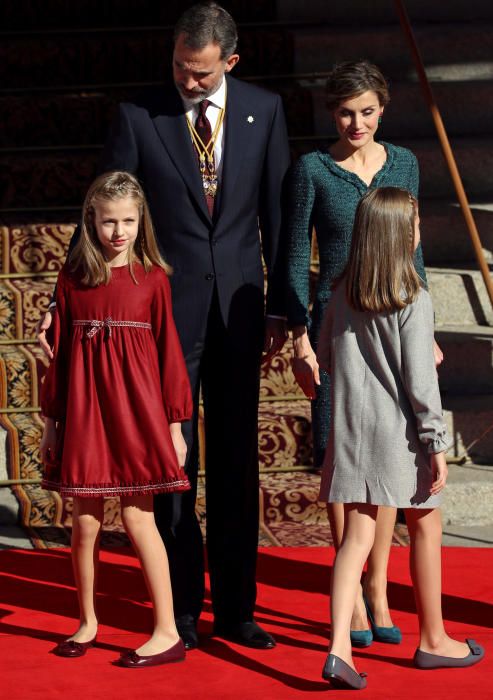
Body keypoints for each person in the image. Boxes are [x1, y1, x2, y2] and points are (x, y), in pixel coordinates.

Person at [37, 2, 290, 650]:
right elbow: (100, 207)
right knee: (170, 468)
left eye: (201, 72)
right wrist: (62, 299)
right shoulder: (138, 115)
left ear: (229, 62)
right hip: (156, 320)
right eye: (180, 66)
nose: (188, 80)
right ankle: (177, 611)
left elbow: (278, 219)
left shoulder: (264, 111)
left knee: (235, 464)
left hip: (236, 312)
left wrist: (284, 310)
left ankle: (236, 610)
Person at [285, 60, 442, 647]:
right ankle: (352, 602)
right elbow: (295, 254)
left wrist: (423, 330)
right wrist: (301, 338)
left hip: (396, 322)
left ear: (383, 108)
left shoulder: (405, 163)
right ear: (333, 112)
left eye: (367, 111)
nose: (357, 122)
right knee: (345, 460)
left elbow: (413, 248)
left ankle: (378, 587)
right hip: (338, 327)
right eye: (346, 112)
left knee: (390, 459)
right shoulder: (312, 171)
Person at [316, 187, 484, 689]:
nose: (420, 231)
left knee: (356, 539)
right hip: (400, 440)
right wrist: (436, 446)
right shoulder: (413, 298)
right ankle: (433, 638)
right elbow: (420, 383)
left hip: (349, 434)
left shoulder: (342, 294)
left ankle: (339, 648)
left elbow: (325, 356)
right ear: (399, 235)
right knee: (427, 529)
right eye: (415, 224)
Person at [39, 171, 193, 668]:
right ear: (92, 220)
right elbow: (59, 360)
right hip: (85, 413)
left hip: (137, 413)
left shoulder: (152, 279)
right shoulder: (72, 281)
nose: (119, 232)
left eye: (128, 220)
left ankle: (167, 631)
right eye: (109, 222)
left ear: (140, 219)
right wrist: (50, 422)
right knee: (83, 523)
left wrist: (175, 425)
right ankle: (87, 622)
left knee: (137, 516)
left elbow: (171, 354)